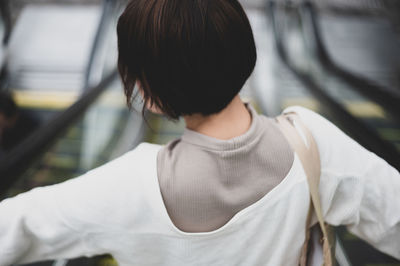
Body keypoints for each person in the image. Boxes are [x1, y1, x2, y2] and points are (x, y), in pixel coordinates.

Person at [0, 0, 399, 265]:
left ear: (149, 94)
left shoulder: (129, 186)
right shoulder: (312, 143)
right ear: (245, 52)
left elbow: (17, 226)